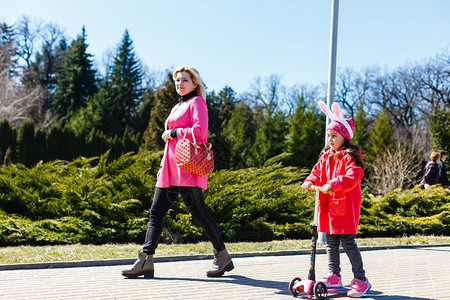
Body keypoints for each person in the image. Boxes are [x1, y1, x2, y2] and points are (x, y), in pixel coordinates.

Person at [122, 66, 234, 279]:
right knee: (156, 212)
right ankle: (146, 260)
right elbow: (170, 144)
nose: (179, 84)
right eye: (177, 80)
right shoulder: (177, 106)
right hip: (170, 169)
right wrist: (163, 167)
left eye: (184, 80)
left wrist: (174, 131)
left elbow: (200, 132)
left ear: (195, 84)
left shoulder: (197, 103)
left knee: (199, 212)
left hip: (187, 168)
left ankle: (222, 256)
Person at [301, 101, 371, 298]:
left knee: (348, 242)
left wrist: (333, 183)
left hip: (345, 208)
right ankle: (335, 276)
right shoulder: (326, 156)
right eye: (329, 136)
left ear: (344, 137)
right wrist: (310, 180)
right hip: (329, 208)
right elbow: (317, 171)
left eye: (334, 136)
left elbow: (352, 177)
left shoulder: (350, 158)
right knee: (330, 242)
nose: (330, 139)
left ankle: (361, 279)